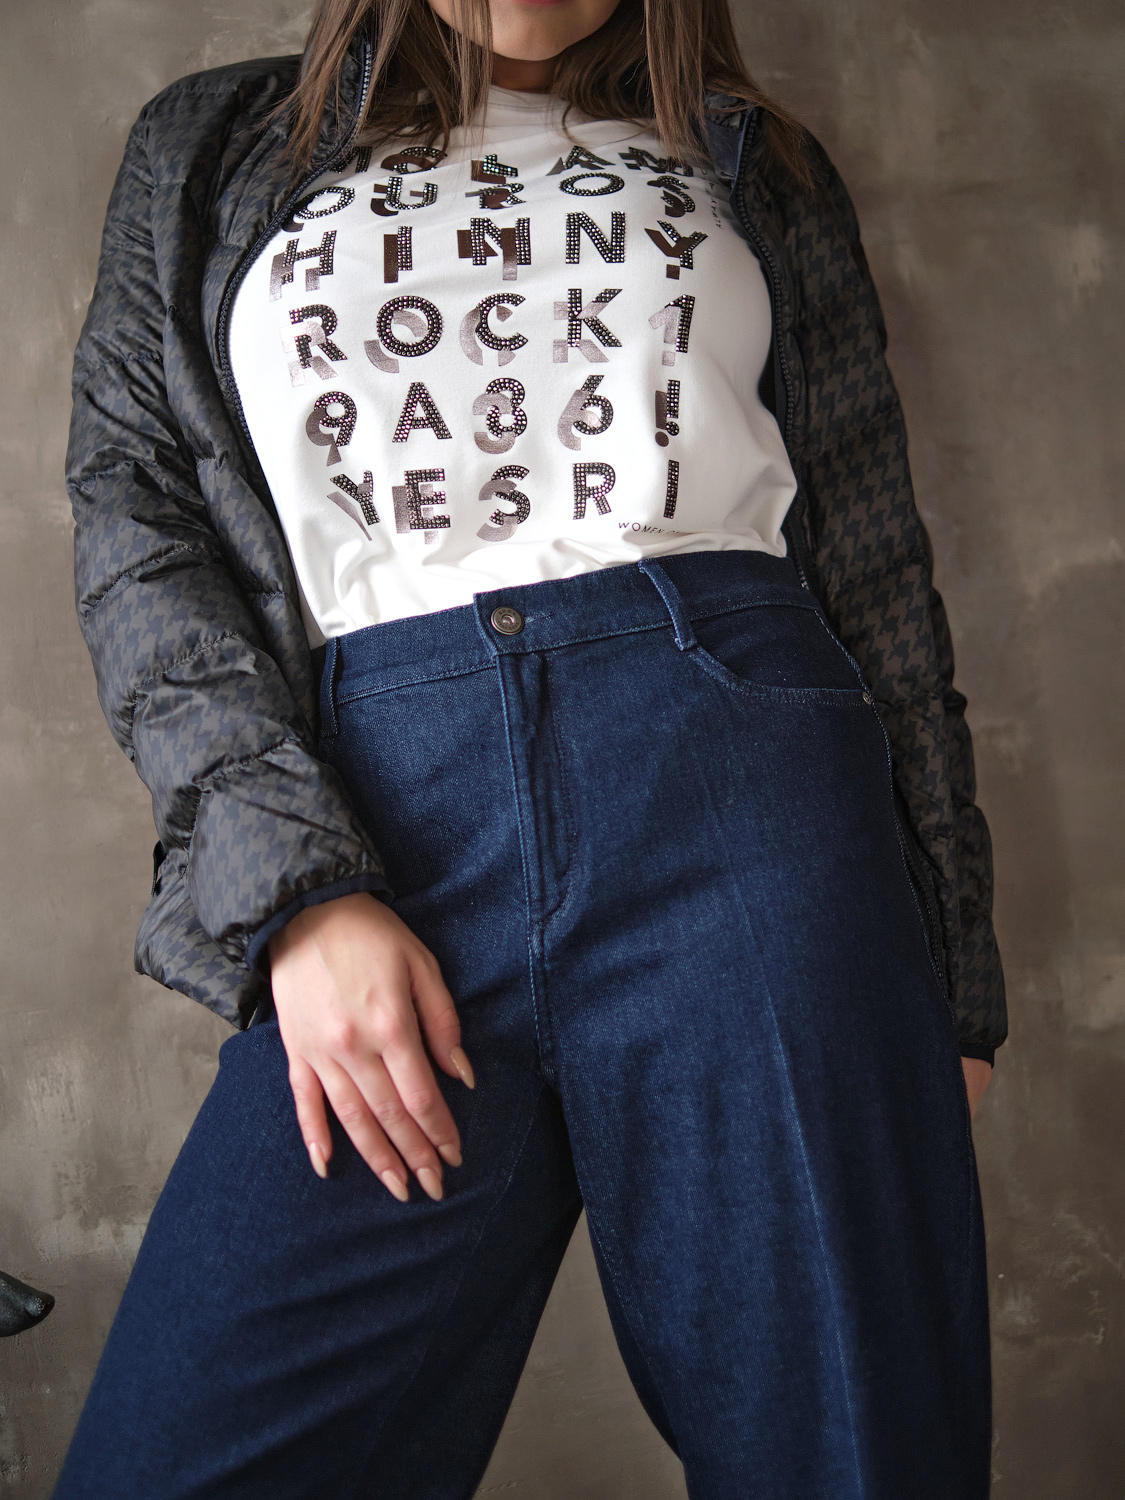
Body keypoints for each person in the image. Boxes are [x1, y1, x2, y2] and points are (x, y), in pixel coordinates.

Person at [54, 1, 1005, 1495]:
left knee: (846, 1454)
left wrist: (951, 978)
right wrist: (294, 896)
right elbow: (137, 528)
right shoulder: (217, 147)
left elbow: (877, 570)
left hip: (745, 801)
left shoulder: (753, 164)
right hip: (387, 822)